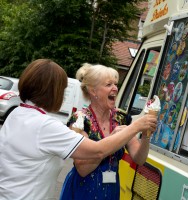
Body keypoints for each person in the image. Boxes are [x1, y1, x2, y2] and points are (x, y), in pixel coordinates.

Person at [0, 59, 157, 200]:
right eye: (62, 89)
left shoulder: (17, 114)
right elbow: (95, 153)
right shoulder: (49, 125)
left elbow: (138, 158)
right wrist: (135, 127)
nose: (63, 95)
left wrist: (144, 134)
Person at [59, 63, 154, 199]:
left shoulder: (121, 118)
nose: (115, 88)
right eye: (108, 85)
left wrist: (146, 135)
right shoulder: (80, 120)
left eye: (115, 84)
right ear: (93, 91)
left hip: (111, 191)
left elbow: (140, 159)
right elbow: (82, 168)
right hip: (84, 190)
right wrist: (114, 139)